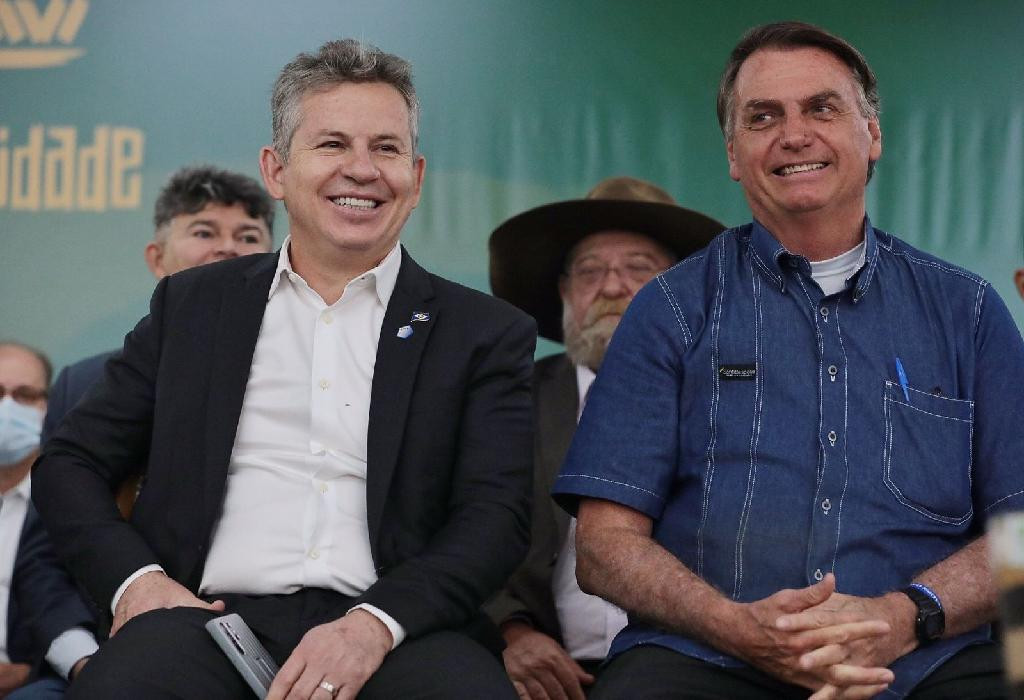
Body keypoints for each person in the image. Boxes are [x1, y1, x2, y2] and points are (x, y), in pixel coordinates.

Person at [33, 38, 534, 699]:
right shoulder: (193, 307)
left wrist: (376, 624)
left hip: (401, 628)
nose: (362, 170)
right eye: (332, 145)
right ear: (276, 170)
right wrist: (138, 585)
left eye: (385, 148)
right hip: (201, 623)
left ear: (415, 176)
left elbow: (496, 516)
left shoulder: (483, 331)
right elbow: (70, 463)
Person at [552, 21, 1024, 699]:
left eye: (821, 109)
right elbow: (602, 547)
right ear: (733, 154)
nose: (793, 135)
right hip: (709, 657)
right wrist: (738, 627)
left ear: (873, 135)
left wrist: (901, 616)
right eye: (763, 117)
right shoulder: (670, 309)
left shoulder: (967, 312)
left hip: (926, 656)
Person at [486, 176, 722, 699]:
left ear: (682, 290)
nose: (612, 287)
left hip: (693, 666)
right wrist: (510, 632)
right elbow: (462, 528)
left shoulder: (733, 402)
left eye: (639, 268)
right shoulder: (508, 400)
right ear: (565, 293)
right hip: (538, 671)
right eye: (590, 271)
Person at [43, 165, 275, 447]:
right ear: (157, 258)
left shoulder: (296, 373)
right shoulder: (82, 385)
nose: (228, 247)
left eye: (248, 237)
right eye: (204, 233)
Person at [0, 343, 97, 700]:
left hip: (38, 678)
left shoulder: (69, 496)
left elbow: (53, 595)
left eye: (24, 395)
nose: (6, 408)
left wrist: (28, 672)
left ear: (49, 406)